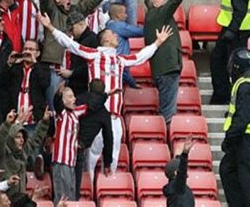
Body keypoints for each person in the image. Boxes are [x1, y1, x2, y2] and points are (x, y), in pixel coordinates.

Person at [37, 11, 172, 182]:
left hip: (115, 116)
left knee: (114, 152)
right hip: (97, 113)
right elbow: (70, 44)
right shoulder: (94, 55)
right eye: (113, 34)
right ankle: (92, 187)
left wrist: (158, 43)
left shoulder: (120, 60)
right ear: (105, 40)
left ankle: (108, 185)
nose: (116, 36)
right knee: (93, 152)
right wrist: (50, 27)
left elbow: (140, 57)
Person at [40, 0, 125, 113]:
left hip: (72, 73)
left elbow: (91, 1)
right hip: (55, 68)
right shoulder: (52, 12)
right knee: (56, 108)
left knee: (73, 109)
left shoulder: (76, 11)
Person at [144, 0, 199, 123]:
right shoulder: (158, 14)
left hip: (165, 69)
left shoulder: (153, 18)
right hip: (167, 68)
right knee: (168, 112)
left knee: (167, 107)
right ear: (154, 4)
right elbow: (175, 0)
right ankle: (168, 142)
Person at [219, 48, 250, 207]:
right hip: (244, 137)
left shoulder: (245, 85)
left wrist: (229, 139)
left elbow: (242, 118)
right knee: (228, 170)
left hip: (245, 138)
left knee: (249, 179)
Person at [0, 109, 52, 195]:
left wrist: (45, 122)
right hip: (3, 200)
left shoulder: (24, 150)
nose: (22, 140)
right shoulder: (1, 153)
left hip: (20, 199)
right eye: (18, 137)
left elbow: (36, 138)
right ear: (11, 138)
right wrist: (7, 124)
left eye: (23, 137)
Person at [76, 79, 113, 199]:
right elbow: (108, 139)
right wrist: (107, 163)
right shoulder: (104, 113)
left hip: (67, 140)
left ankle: (44, 157)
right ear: (102, 93)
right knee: (76, 181)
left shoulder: (77, 99)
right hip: (80, 146)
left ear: (88, 87)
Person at [51, 86, 88, 203]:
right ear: (64, 100)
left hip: (71, 161)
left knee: (71, 196)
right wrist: (58, 93)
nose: (74, 99)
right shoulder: (61, 114)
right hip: (61, 161)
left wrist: (106, 94)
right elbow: (56, 103)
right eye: (70, 97)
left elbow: (89, 104)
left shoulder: (74, 114)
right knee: (62, 197)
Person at [3, 40, 50, 129]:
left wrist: (35, 63)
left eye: (31, 49)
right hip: (14, 121)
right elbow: (3, 82)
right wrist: (9, 64)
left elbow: (44, 83)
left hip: (34, 121)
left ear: (38, 53)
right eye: (25, 49)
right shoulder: (15, 68)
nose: (28, 52)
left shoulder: (43, 68)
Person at [107, 3, 143, 88]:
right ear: (118, 15)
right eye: (125, 13)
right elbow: (140, 32)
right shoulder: (119, 26)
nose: (126, 16)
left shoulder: (108, 25)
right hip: (119, 74)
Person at [64, 11, 99, 100]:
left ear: (81, 24)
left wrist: (72, 73)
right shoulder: (77, 41)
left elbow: (92, 64)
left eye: (72, 29)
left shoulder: (93, 40)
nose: (71, 33)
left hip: (85, 87)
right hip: (75, 84)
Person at [163, 136, 195, 207]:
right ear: (176, 173)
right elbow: (182, 172)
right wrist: (185, 154)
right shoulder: (177, 187)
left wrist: (178, 156)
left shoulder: (173, 186)